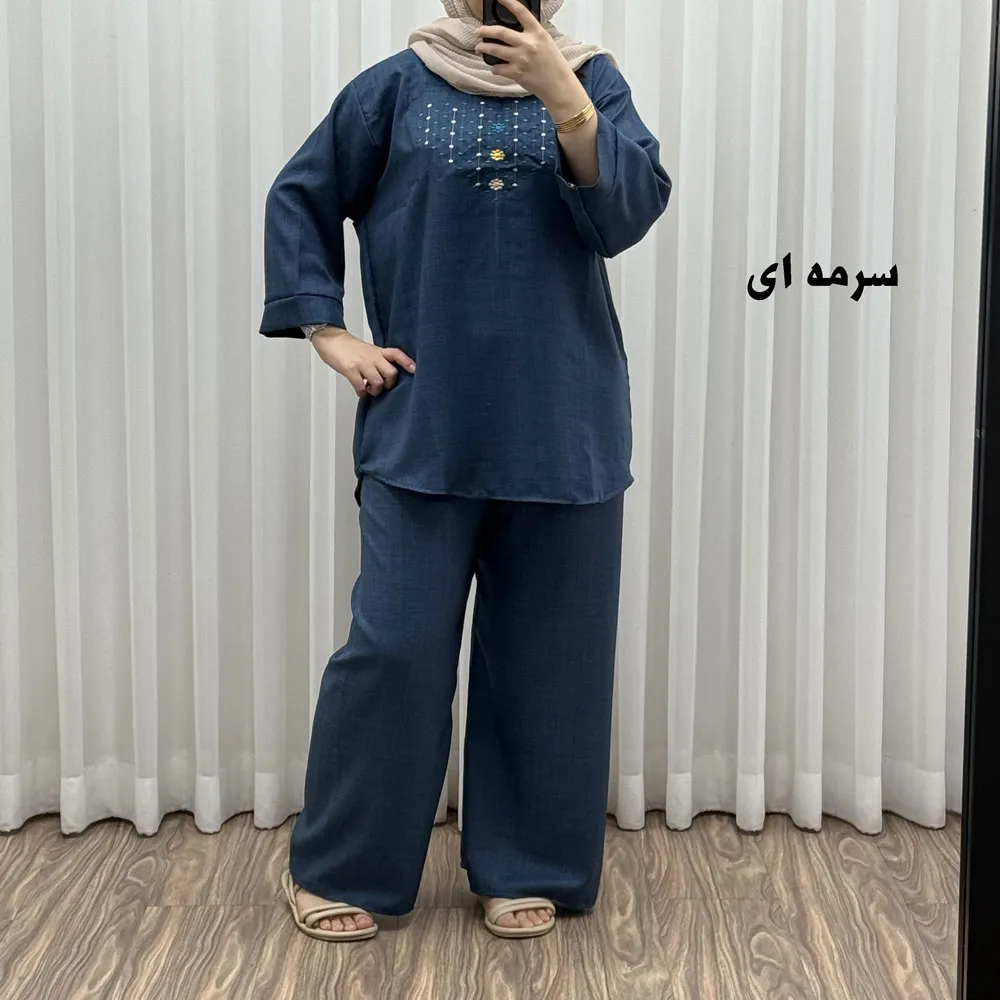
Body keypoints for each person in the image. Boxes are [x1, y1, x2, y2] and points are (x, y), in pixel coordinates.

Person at [260, 0, 671, 942]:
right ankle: (344, 865)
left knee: (552, 657)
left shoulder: (592, 80)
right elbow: (302, 196)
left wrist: (564, 96)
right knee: (394, 650)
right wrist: (328, 330)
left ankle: (528, 863)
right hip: (425, 423)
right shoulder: (392, 90)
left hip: (564, 423)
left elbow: (627, 216)